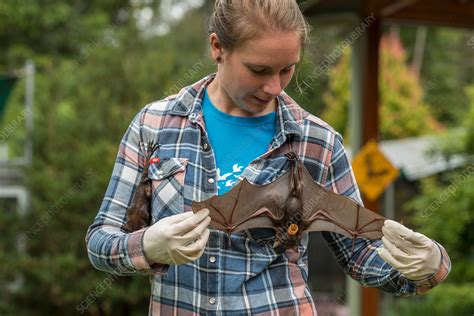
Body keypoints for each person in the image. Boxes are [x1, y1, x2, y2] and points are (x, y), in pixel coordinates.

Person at [85, 0, 451, 314]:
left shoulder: (315, 142)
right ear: (218, 48)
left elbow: (360, 254)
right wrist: (147, 245)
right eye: (259, 70)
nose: (274, 87)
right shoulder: (155, 126)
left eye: (287, 69)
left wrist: (426, 266)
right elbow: (101, 242)